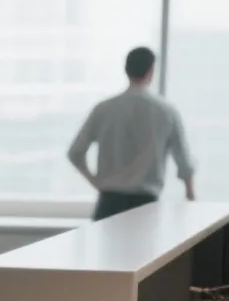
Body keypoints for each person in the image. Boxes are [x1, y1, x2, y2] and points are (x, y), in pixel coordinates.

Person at [67, 47, 195, 220]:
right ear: (151, 71)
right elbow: (183, 159)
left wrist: (96, 182)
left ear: (126, 69)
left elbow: (75, 152)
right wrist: (190, 194)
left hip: (109, 203)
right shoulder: (166, 111)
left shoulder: (103, 109)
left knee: (106, 239)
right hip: (146, 205)